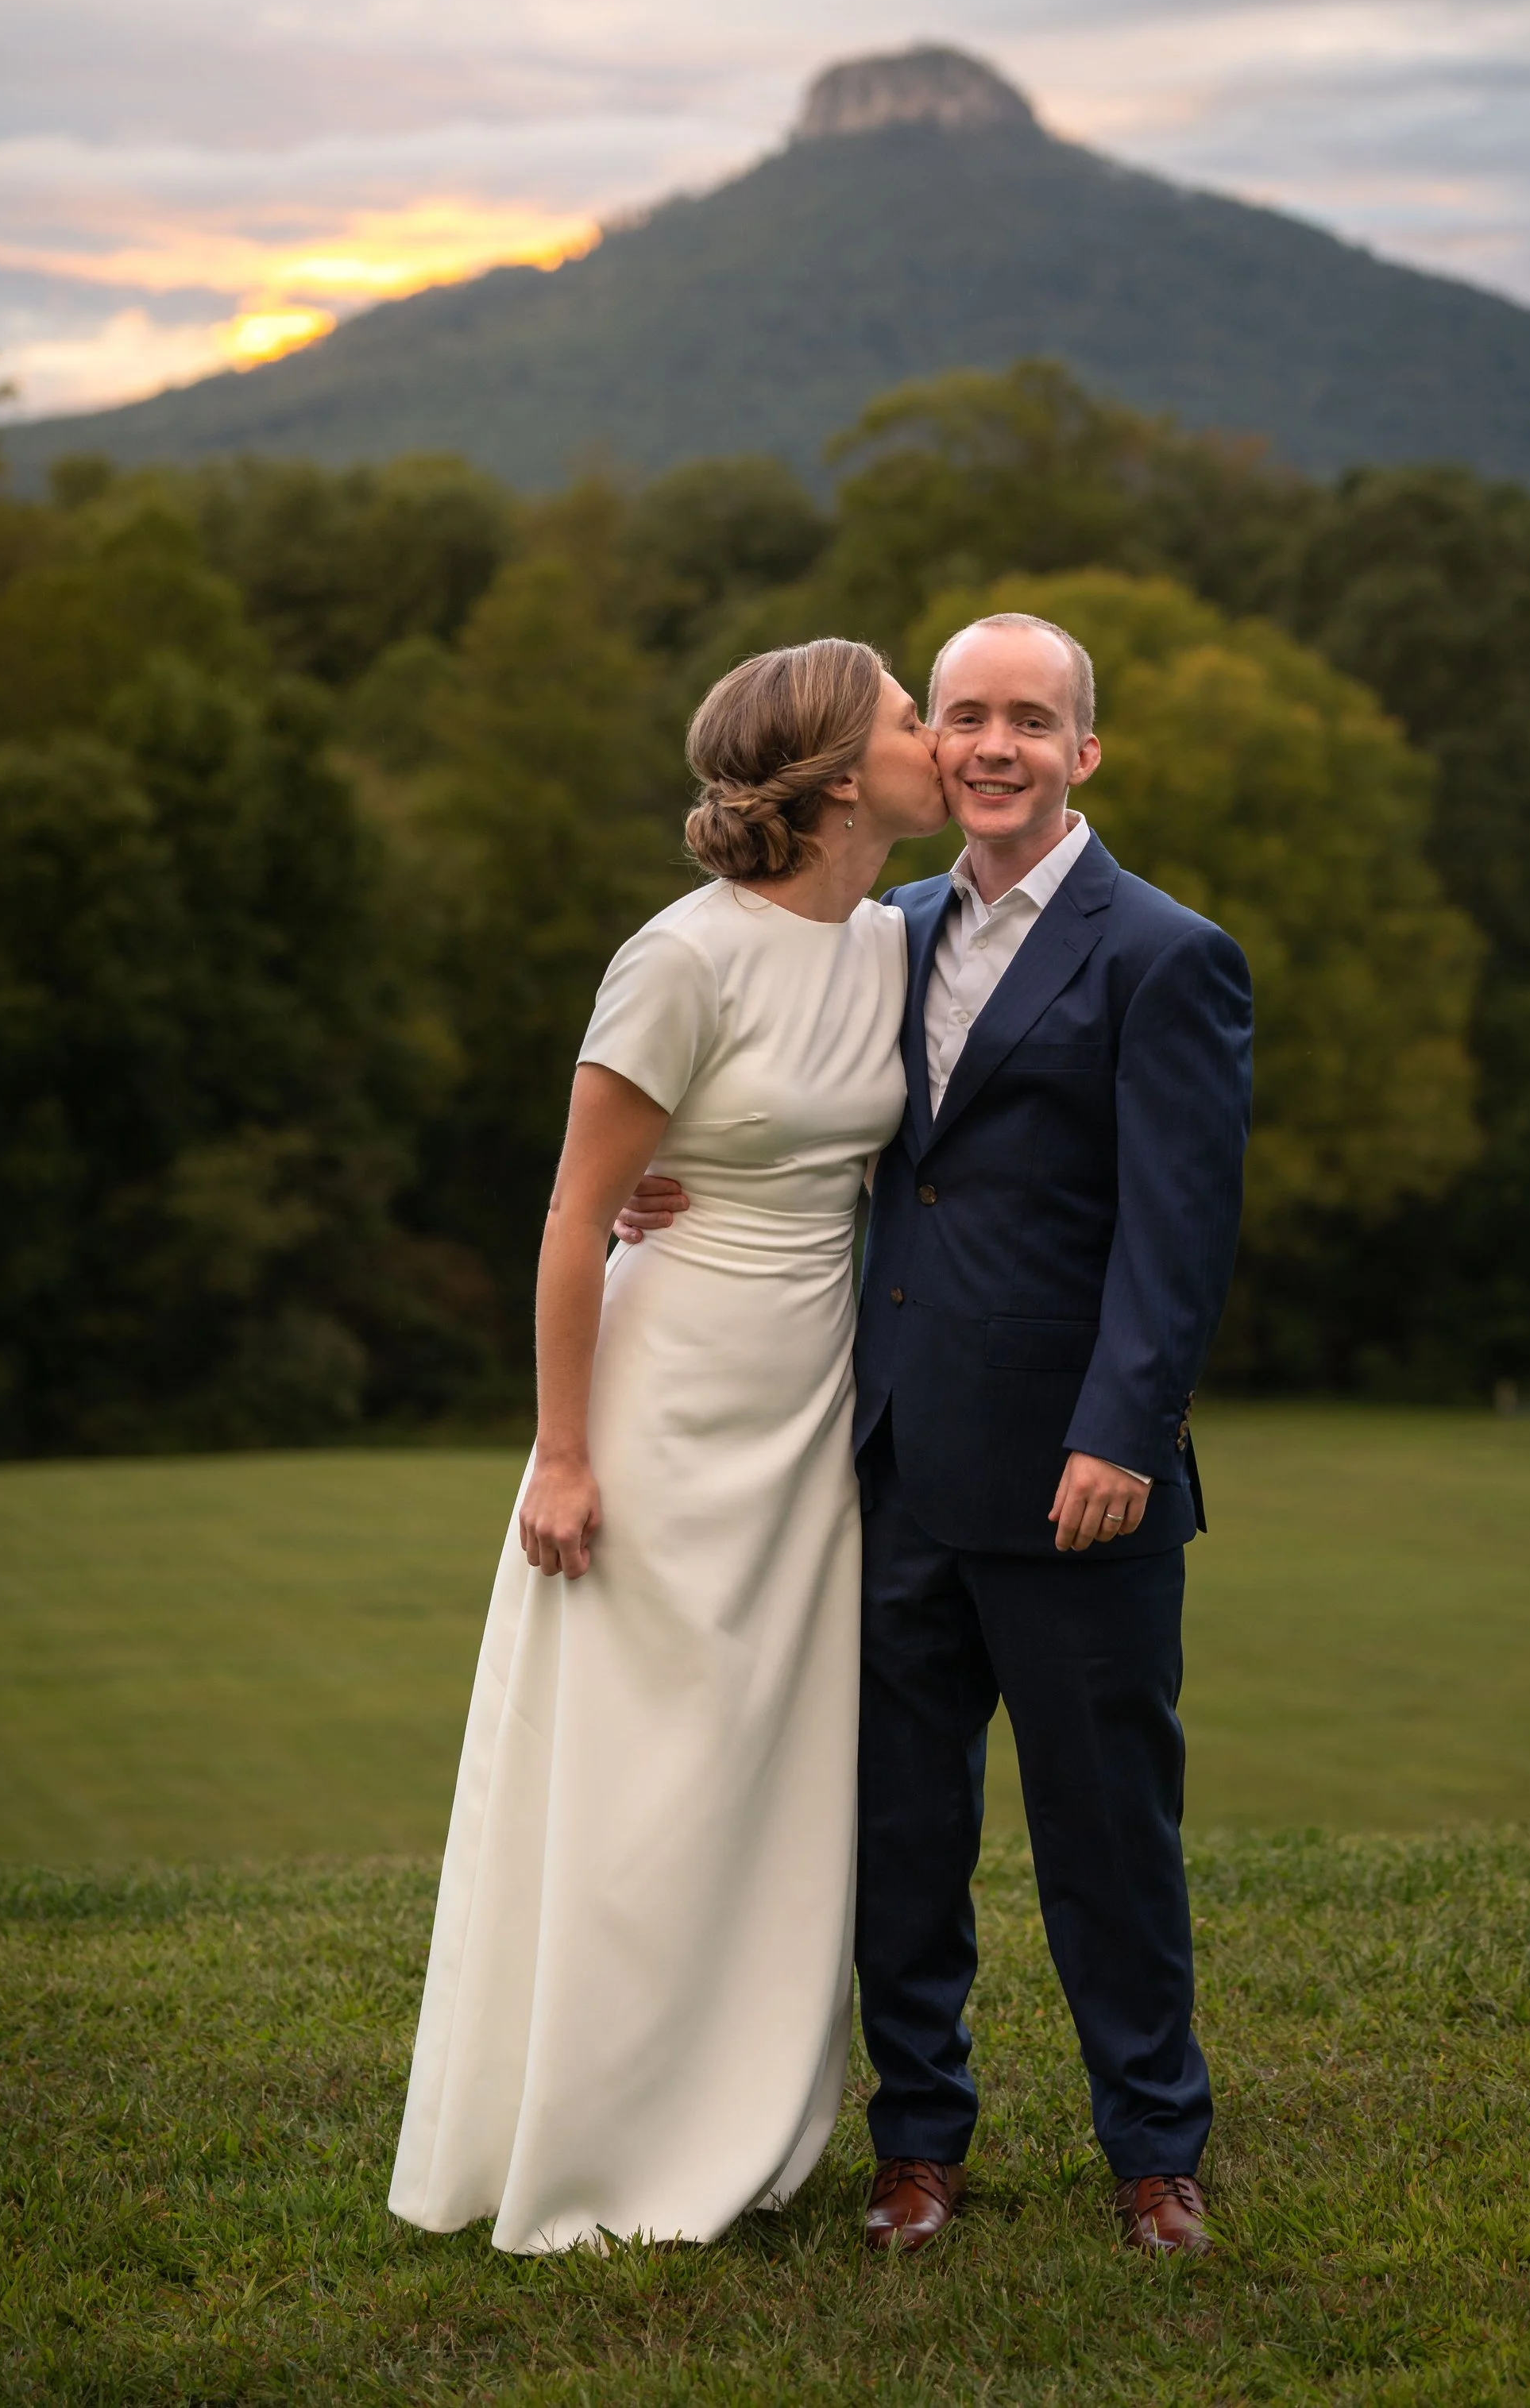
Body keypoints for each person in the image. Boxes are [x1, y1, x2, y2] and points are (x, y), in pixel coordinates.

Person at [631, 609, 1254, 2262]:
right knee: (898, 1836)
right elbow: (793, 1111)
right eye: (960, 713)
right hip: (888, 1462)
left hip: (1077, 1480)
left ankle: (1153, 2154)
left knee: (1104, 1832)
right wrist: (655, 1174)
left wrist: (1121, 1433)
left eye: (1026, 722)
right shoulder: (880, 928)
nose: (986, 744)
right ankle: (919, 2149)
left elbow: (1173, 1233)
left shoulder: (1161, 953)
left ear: (1082, 754)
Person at [388, 637, 948, 2253]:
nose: (929, 745)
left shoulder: (887, 945)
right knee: (637, 1781)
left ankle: (746, 2131)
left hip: (810, 1412)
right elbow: (572, 1217)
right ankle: (593, 2144)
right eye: (912, 721)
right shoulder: (677, 958)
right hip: (656, 1405)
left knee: (761, 1777)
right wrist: (562, 1453)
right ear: (841, 773)